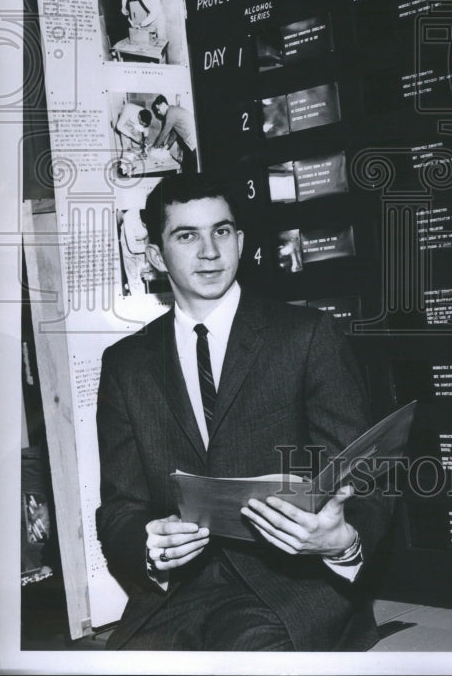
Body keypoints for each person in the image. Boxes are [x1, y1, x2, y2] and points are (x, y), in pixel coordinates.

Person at [95, 174, 390, 650]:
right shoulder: (127, 365)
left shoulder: (307, 336)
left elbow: (364, 474)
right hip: (177, 597)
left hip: (289, 588)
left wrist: (344, 540)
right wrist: (150, 542)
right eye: (187, 235)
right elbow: (120, 507)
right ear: (154, 257)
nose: (210, 251)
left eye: (223, 231)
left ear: (241, 241)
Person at [150, 95, 198, 174]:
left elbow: (164, 133)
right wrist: (166, 146)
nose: (158, 112)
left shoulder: (171, 112)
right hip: (191, 143)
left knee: (191, 169)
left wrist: (154, 148)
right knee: (187, 166)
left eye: (158, 109)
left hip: (194, 143)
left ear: (162, 105)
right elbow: (174, 134)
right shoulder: (173, 110)